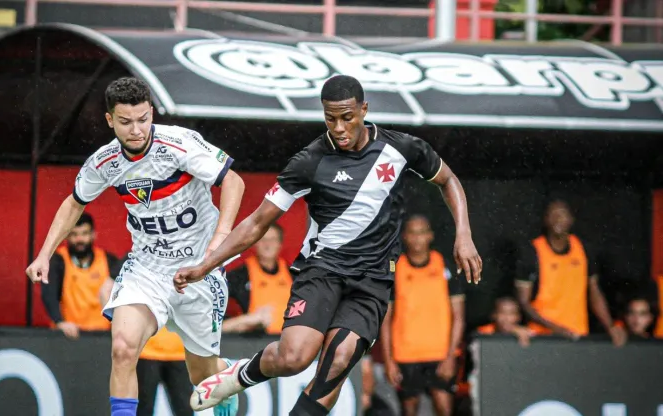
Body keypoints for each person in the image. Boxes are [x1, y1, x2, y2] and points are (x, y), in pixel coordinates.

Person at [174, 75, 482, 415]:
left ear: (364, 110)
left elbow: (448, 179)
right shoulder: (309, 162)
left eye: (347, 117)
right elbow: (258, 222)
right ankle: (236, 376)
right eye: (329, 117)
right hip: (322, 271)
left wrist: (463, 234)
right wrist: (206, 264)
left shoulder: (402, 148)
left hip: (372, 280)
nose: (338, 127)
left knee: (337, 362)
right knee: (294, 358)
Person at [25, 77, 246, 416]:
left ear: (152, 113)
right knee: (124, 348)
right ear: (110, 120)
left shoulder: (179, 143)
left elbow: (233, 180)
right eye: (126, 122)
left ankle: (222, 376)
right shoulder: (105, 162)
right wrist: (44, 253)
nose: (137, 130)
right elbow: (74, 203)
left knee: (202, 376)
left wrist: (220, 239)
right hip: (148, 268)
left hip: (199, 268)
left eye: (144, 119)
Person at [380, 215, 465, 416]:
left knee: (445, 409)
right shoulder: (395, 268)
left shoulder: (445, 265)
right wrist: (388, 360)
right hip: (405, 355)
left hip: (440, 354)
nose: (417, 238)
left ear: (430, 236)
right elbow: (385, 319)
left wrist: (451, 356)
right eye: (412, 233)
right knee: (409, 411)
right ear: (405, 237)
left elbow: (459, 315)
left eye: (422, 232)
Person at [515, 200, 626, 346]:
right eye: (553, 215)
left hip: (577, 334)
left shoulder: (583, 249)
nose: (558, 219)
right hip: (542, 336)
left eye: (562, 215)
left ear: (571, 219)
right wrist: (555, 328)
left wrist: (610, 325)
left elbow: (594, 293)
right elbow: (523, 301)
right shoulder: (532, 251)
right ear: (546, 219)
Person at [100, 256, 194, 416]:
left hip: (179, 352)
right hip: (147, 351)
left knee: (185, 410)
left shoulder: (190, 254)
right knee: (143, 410)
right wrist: (122, 325)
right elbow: (105, 289)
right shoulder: (140, 252)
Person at [41, 212, 121, 339]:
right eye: (74, 234)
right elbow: (48, 293)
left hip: (103, 335)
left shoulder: (108, 260)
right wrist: (59, 322)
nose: (79, 240)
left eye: (84, 234)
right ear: (67, 236)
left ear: (94, 235)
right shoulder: (58, 260)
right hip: (68, 334)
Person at [224, 223, 293, 335]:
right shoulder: (240, 275)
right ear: (255, 243)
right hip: (253, 342)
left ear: (280, 244)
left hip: (288, 342)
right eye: (263, 240)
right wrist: (248, 320)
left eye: (273, 240)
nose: (267, 245)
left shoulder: (293, 274)